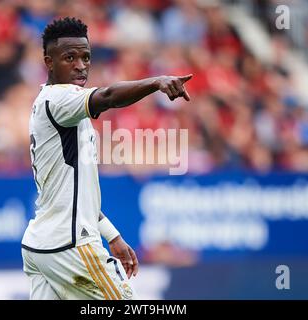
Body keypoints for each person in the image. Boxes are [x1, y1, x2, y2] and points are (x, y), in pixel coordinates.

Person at [21, 17, 192, 300]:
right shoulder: (60, 100)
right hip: (70, 246)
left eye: (86, 57)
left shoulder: (59, 107)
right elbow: (110, 95)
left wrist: (112, 235)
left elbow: (74, 194)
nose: (80, 65)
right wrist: (157, 81)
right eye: (69, 57)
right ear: (49, 62)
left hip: (41, 248)